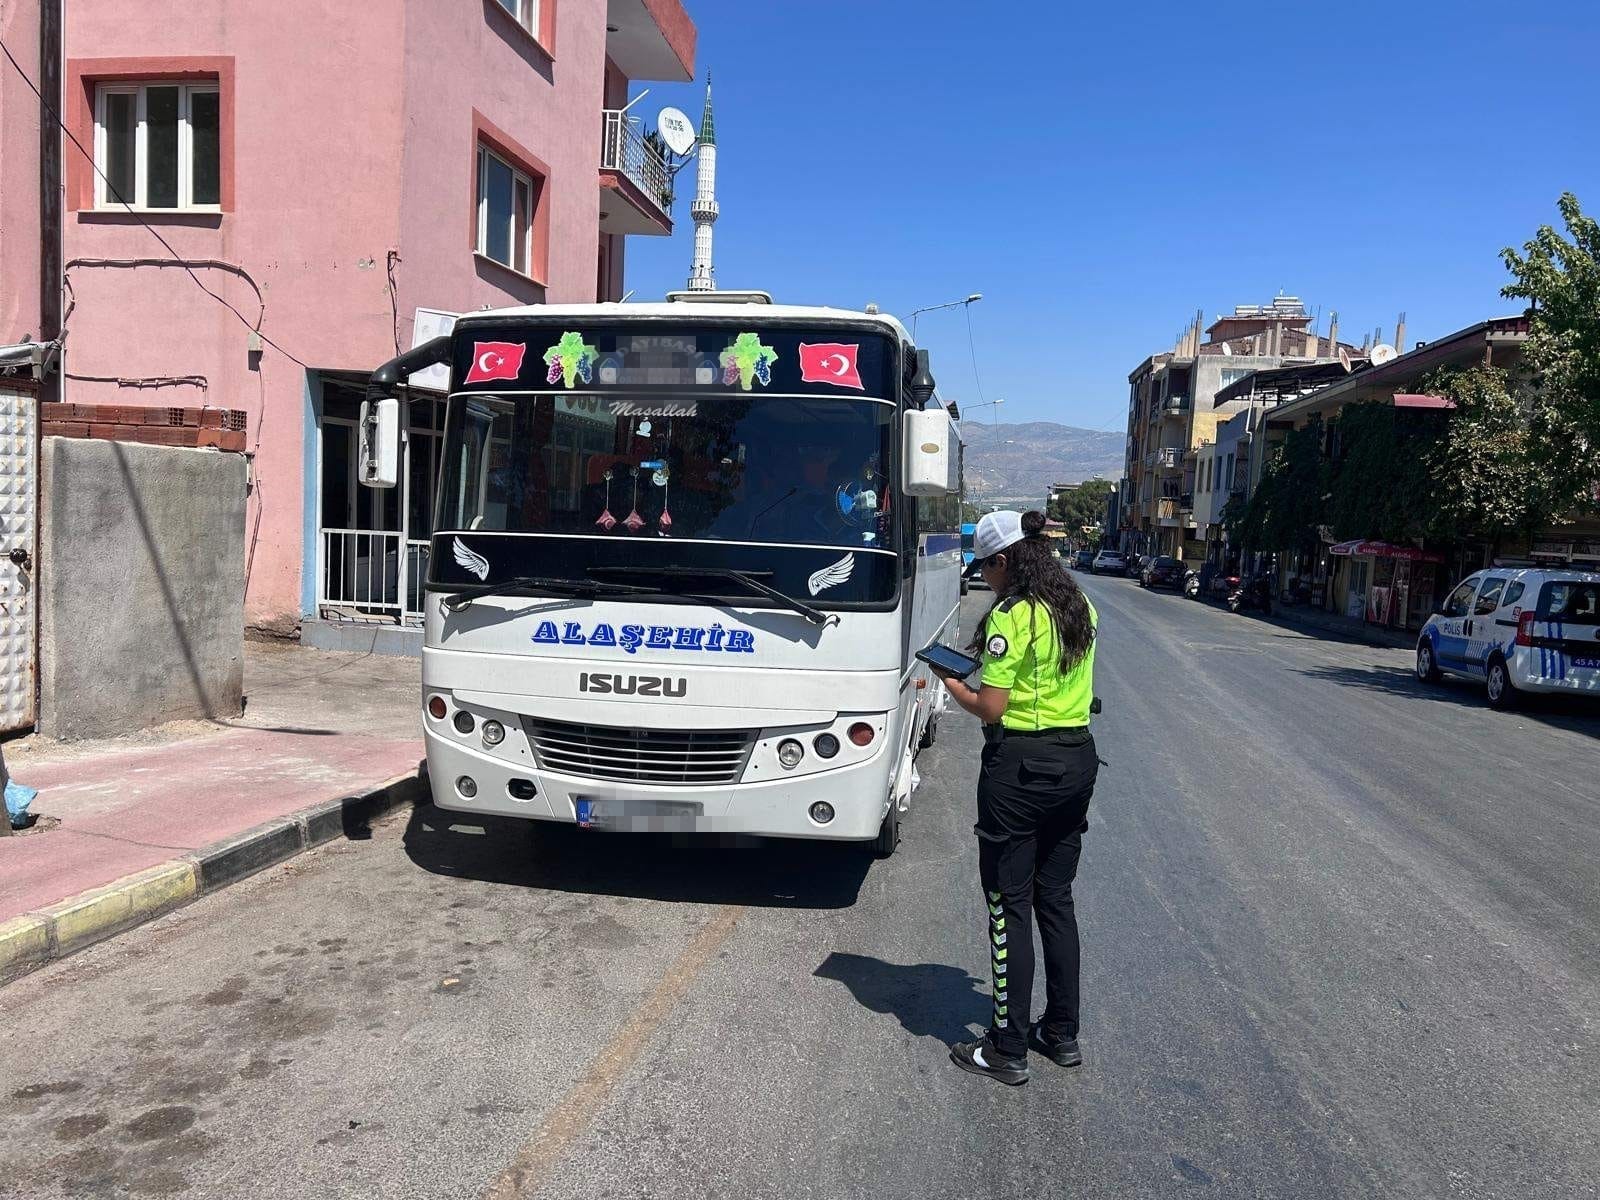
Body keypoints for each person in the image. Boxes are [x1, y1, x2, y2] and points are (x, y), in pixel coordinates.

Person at [930, 509, 1100, 1086]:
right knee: (1056, 899)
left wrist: (949, 681)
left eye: (986, 566)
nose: (985, 577)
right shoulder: (1078, 606)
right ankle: (1062, 1032)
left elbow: (991, 706)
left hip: (1020, 772)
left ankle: (1007, 1047)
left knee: (1009, 906)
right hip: (1076, 762)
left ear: (1006, 560)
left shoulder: (1014, 614)